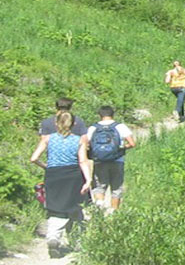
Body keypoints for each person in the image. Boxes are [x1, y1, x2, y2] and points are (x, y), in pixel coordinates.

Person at [29, 100, 93, 259]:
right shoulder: (79, 140)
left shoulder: (48, 138)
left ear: (56, 123)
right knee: (74, 205)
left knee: (56, 206)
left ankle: (53, 236)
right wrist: (88, 179)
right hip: (72, 175)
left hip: (53, 175)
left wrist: (46, 166)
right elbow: (83, 161)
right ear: (72, 124)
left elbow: (33, 158)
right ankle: (78, 240)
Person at [84, 106, 135, 214]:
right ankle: (113, 214)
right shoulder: (120, 127)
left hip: (99, 161)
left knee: (99, 186)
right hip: (117, 160)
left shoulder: (93, 128)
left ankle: (99, 209)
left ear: (100, 115)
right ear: (113, 114)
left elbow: (85, 144)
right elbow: (132, 143)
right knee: (116, 188)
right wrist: (121, 148)